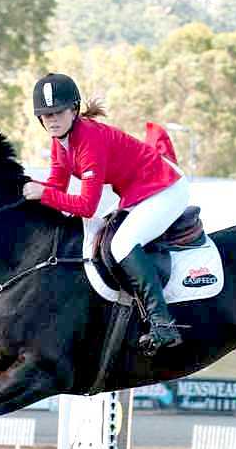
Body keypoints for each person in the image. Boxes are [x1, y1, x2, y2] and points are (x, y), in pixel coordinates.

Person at [21, 73, 189, 355]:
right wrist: (24, 195)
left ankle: (163, 324)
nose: (52, 119)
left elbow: (86, 205)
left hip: (165, 188)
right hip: (139, 189)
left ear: (73, 110)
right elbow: (56, 186)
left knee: (121, 244)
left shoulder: (88, 140)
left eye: (58, 112)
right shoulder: (60, 141)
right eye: (46, 114)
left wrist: (42, 193)